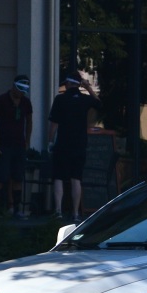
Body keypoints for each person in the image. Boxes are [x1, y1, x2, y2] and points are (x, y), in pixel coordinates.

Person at [47, 69, 102, 221]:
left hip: (63, 143)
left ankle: (58, 210)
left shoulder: (60, 99)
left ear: (68, 83)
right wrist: (88, 87)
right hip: (79, 144)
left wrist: (50, 141)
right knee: (76, 178)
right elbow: (98, 103)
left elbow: (54, 123)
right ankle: (76, 213)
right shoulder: (85, 100)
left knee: (58, 177)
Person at [0, 74, 33, 218]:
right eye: (19, 89)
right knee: (0, 177)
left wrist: (28, 141)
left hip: (19, 145)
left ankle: (17, 208)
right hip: (3, 144)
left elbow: (29, 121)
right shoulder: (1, 100)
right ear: (13, 86)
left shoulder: (26, 102)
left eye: (24, 91)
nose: (21, 93)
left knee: (18, 177)